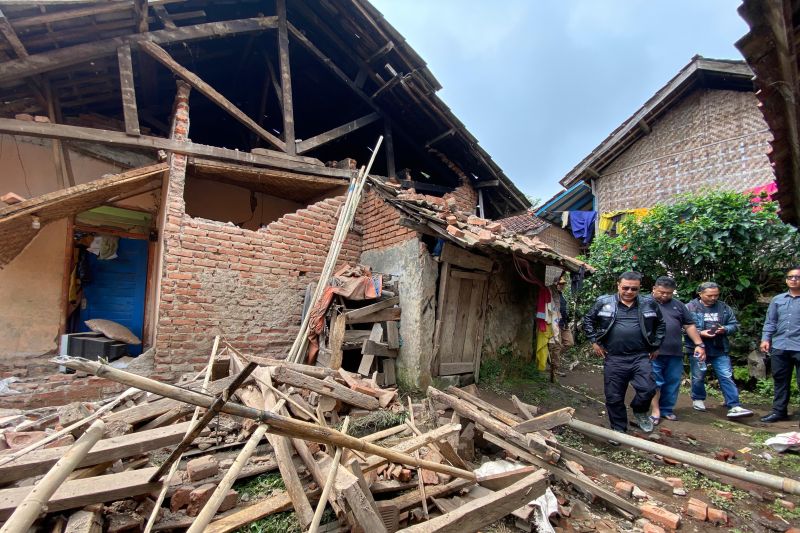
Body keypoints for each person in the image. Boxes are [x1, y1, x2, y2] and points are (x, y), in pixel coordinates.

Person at [584, 271, 666, 434]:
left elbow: (661, 325)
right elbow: (588, 320)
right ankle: (619, 429)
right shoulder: (604, 302)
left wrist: (656, 345)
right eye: (626, 288)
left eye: (634, 289)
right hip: (614, 357)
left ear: (639, 289)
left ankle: (640, 410)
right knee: (614, 396)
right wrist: (594, 341)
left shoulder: (648, 304)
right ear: (618, 286)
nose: (629, 292)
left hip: (640, 356)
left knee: (648, 388)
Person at [685, 282, 753, 418]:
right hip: (697, 348)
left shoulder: (724, 308)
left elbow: (734, 325)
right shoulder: (689, 308)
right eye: (709, 295)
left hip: (720, 348)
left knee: (726, 376)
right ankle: (698, 398)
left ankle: (734, 405)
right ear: (700, 294)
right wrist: (700, 333)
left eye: (716, 295)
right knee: (698, 375)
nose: (713, 298)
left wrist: (725, 329)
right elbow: (682, 327)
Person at [649, 276, 705, 424]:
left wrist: (699, 344)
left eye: (669, 293)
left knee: (672, 382)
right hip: (652, 352)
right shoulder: (644, 303)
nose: (665, 295)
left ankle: (667, 409)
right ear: (654, 289)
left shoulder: (679, 305)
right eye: (661, 292)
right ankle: (655, 410)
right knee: (655, 382)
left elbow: (689, 325)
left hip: (674, 352)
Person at [759, 266, 800, 423]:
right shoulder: (778, 300)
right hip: (780, 345)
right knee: (780, 380)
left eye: (797, 277)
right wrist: (765, 339)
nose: (794, 279)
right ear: (786, 280)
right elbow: (771, 321)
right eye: (790, 277)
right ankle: (779, 412)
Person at [549, 276, 574, 380]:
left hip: (564, 323)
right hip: (556, 323)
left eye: (563, 284)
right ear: (556, 285)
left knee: (569, 343)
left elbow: (563, 310)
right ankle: (555, 368)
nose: (562, 286)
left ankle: (551, 359)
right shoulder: (552, 295)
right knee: (557, 346)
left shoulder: (562, 296)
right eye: (560, 284)